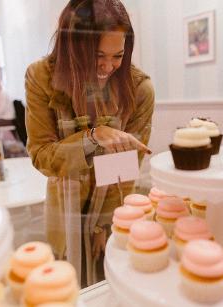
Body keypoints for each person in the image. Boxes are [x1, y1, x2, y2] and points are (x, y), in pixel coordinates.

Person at [25, 0, 155, 286]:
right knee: (66, 285)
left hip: (111, 205)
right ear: (73, 46)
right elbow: (43, 156)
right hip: (64, 204)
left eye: (118, 55)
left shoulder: (138, 89)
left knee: (109, 283)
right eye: (98, 55)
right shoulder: (42, 78)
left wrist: (102, 223)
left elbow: (126, 165)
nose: (109, 66)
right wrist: (93, 137)